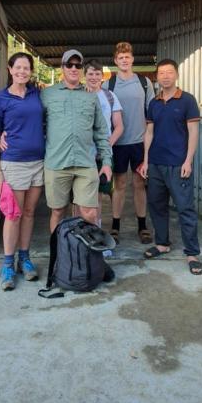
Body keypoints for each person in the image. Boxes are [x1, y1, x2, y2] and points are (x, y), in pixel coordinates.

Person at [139, 58, 202, 275]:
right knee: (157, 206)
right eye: (161, 73)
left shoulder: (187, 100)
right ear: (156, 77)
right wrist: (146, 161)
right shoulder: (154, 103)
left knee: (185, 209)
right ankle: (162, 243)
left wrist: (188, 161)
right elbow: (149, 133)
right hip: (156, 163)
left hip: (178, 164)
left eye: (169, 72)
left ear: (176, 75)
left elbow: (194, 132)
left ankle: (192, 253)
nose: (165, 76)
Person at [40, 49, 113, 235]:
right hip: (57, 163)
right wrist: (6, 132)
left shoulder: (91, 96)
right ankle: (60, 256)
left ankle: (88, 257)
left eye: (78, 65)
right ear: (62, 68)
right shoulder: (47, 94)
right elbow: (31, 121)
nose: (74, 68)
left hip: (85, 162)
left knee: (88, 212)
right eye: (69, 65)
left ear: (81, 69)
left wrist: (106, 162)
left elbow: (101, 131)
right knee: (57, 211)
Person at [0, 52, 45, 291]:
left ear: (31, 71)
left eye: (26, 68)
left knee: (30, 212)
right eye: (18, 67)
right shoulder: (0, 98)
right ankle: (8, 264)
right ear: (10, 70)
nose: (22, 71)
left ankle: (25, 258)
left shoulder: (37, 94)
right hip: (13, 163)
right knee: (14, 214)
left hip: (38, 163)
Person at [103, 41, 154, 245]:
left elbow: (152, 111)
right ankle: (115, 226)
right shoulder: (109, 84)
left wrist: (152, 139)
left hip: (140, 141)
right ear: (116, 61)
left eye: (127, 57)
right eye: (120, 57)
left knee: (140, 183)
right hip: (118, 143)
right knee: (120, 185)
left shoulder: (144, 82)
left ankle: (142, 226)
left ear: (132, 59)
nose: (124, 60)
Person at [83, 59, 123, 249]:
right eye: (90, 73)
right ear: (85, 75)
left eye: (97, 73)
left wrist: (106, 146)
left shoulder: (110, 96)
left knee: (98, 198)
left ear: (102, 76)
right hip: (82, 156)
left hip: (103, 157)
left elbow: (119, 126)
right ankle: (82, 238)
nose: (93, 77)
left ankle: (97, 238)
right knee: (81, 200)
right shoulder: (78, 95)